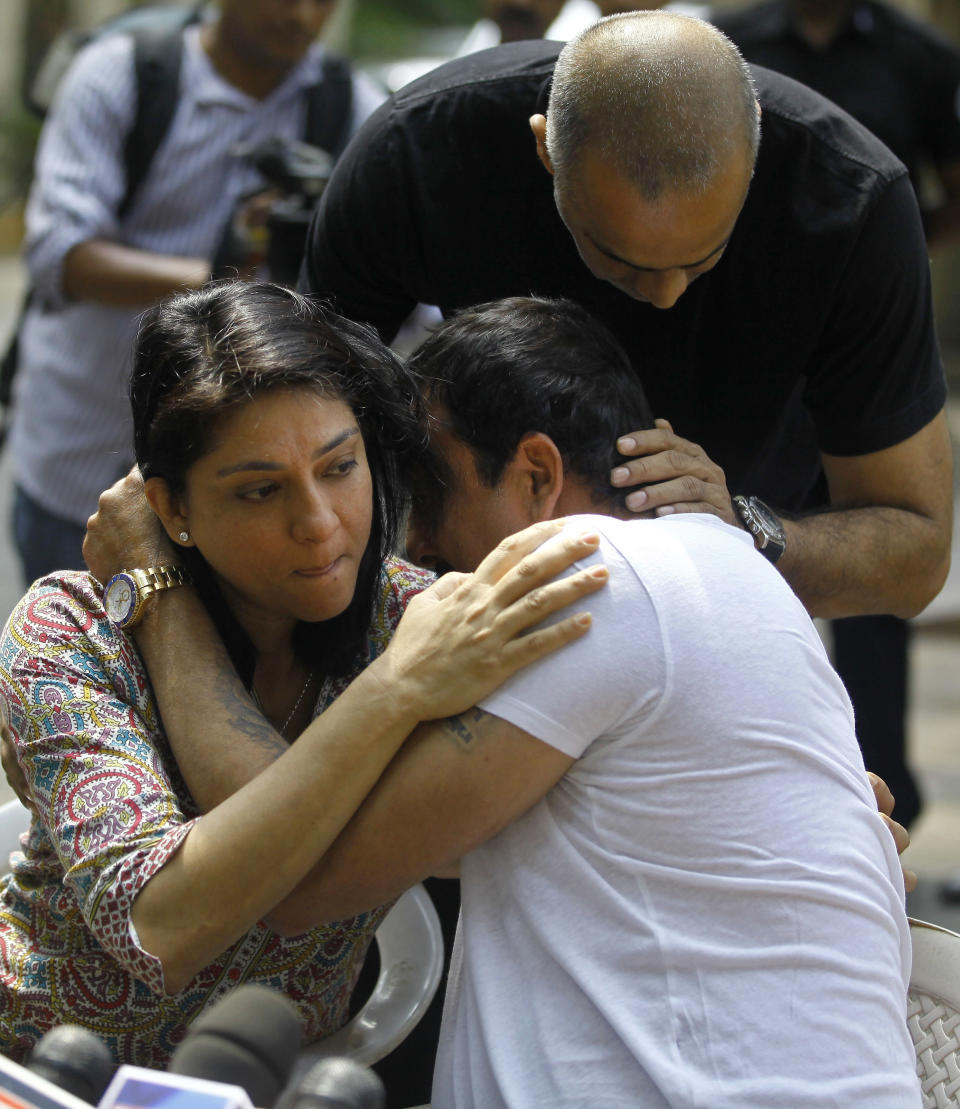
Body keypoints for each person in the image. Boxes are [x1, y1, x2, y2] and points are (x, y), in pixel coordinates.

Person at [81, 295, 920, 1106]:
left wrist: (161, 602)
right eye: (262, 489)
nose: (413, 541)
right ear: (176, 503)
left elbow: (296, 875)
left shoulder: (580, 583)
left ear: (535, 475)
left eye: (423, 487)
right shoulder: (733, 575)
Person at [0, 281, 604, 1065]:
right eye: (260, 490)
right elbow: (157, 926)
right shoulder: (71, 635)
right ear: (170, 506)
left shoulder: (418, 621)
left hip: (282, 1075)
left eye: (339, 466)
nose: (318, 523)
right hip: (47, 1074)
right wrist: (392, 696)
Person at [302, 10, 952, 637]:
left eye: (704, 257)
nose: (666, 296)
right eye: (615, 257)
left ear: (755, 148)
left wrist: (742, 527)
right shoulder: (417, 158)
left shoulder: (851, 201)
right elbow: (298, 427)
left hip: (731, 606)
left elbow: (915, 553)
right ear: (545, 150)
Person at [8, 0, 385, 586]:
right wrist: (228, 279)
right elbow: (63, 252)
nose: (303, 16)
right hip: (82, 470)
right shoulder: (122, 74)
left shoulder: (348, 101)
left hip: (249, 501)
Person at [712, 0, 960, 839]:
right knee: (738, 565)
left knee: (876, 579)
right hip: (751, 355)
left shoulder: (919, 58)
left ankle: (882, 804)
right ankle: (748, 797)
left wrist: (886, 264)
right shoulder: (725, 43)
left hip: (870, 361)